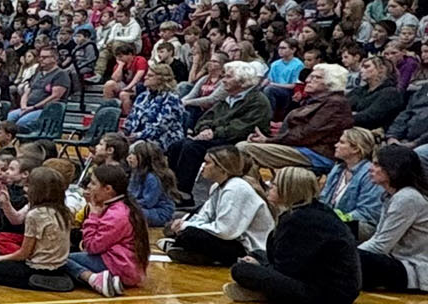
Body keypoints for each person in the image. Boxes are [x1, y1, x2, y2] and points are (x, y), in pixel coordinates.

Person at [222, 167, 363, 304]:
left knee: (241, 270)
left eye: (275, 185)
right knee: (256, 255)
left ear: (289, 190)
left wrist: (262, 267)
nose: (270, 186)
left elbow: (288, 269)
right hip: (329, 282)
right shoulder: (313, 210)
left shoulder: (300, 220)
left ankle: (266, 293)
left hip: (328, 293)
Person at [170, 61, 272, 204]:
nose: (223, 80)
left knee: (191, 148)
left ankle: (184, 195)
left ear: (242, 81)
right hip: (219, 137)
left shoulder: (258, 101)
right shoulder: (227, 98)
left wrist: (214, 132)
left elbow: (241, 128)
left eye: (228, 77)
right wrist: (205, 129)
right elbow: (206, 118)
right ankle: (171, 189)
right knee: (177, 145)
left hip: (237, 141)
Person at [163, 146, 274, 266]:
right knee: (182, 226)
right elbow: (204, 215)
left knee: (190, 235)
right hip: (232, 239)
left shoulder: (236, 188)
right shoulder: (218, 186)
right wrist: (184, 223)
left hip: (250, 249)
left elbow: (225, 231)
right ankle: (198, 254)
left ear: (222, 168)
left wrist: (186, 226)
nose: (202, 167)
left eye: (207, 163)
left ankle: (203, 255)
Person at [239, 63, 353, 173]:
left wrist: (268, 140)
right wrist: (267, 138)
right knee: (242, 149)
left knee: (244, 149)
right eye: (310, 76)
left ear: (331, 83)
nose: (307, 80)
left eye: (316, 77)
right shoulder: (316, 101)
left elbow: (306, 135)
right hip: (301, 148)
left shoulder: (335, 104)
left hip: (317, 154)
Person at [0, 167, 76, 292]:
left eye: (28, 186)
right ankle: (54, 278)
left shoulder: (35, 214)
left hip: (38, 267)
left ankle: (36, 281)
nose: (25, 189)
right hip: (60, 266)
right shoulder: (64, 211)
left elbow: (24, 253)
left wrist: (2, 258)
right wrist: (6, 203)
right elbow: (17, 219)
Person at [67, 165, 150, 297]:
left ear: (108, 189)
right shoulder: (121, 206)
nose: (89, 186)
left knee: (60, 260)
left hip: (119, 266)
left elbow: (93, 246)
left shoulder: (117, 214)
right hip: (123, 264)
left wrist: (93, 215)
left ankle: (92, 278)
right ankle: (105, 281)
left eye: (94, 183)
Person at [358, 144, 428, 294]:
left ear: (393, 168)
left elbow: (381, 246)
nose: (370, 168)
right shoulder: (394, 195)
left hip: (414, 270)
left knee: (345, 257)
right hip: (398, 261)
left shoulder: (407, 198)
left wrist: (347, 255)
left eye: (377, 164)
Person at [320, 128, 387, 241]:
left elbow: (367, 212)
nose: (336, 145)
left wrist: (333, 219)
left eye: (341, 142)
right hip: (334, 221)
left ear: (355, 148)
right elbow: (323, 198)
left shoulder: (370, 173)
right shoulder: (338, 169)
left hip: (360, 225)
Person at [123, 64, 187, 150]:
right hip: (138, 136)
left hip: (163, 138)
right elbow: (131, 117)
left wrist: (137, 136)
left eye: (150, 76)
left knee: (135, 148)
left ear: (161, 79)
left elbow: (161, 126)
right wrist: (125, 131)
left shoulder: (171, 99)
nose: (145, 77)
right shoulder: (142, 96)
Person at [9, 48, 72, 132]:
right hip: (29, 107)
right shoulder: (38, 73)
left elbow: (55, 97)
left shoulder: (61, 74)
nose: (41, 59)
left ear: (54, 58)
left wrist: (33, 107)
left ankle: (28, 143)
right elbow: (27, 91)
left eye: (44, 57)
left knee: (22, 123)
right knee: (10, 118)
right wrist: (23, 106)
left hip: (46, 110)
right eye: (40, 57)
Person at [128, 140, 179, 226]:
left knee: (129, 213)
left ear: (143, 158)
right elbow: (130, 192)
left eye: (134, 155)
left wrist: (130, 204)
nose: (129, 157)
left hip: (158, 212)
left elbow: (149, 202)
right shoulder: (136, 173)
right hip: (143, 207)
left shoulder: (152, 178)